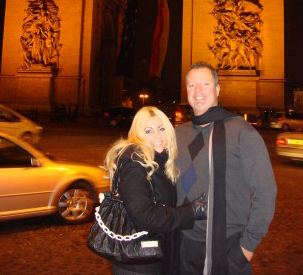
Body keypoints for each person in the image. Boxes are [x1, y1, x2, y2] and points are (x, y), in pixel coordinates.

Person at [176, 61, 277, 275]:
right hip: (183, 246)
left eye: (205, 84)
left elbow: (266, 191)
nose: (198, 92)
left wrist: (246, 248)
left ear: (218, 89)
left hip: (227, 247)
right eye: (192, 86)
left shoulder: (241, 132)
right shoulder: (178, 134)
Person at [104, 106, 207, 275]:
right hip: (139, 263)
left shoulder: (158, 161)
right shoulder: (134, 165)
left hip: (153, 257)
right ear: (138, 134)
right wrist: (192, 212)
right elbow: (145, 217)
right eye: (148, 131)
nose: (158, 137)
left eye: (161, 129)